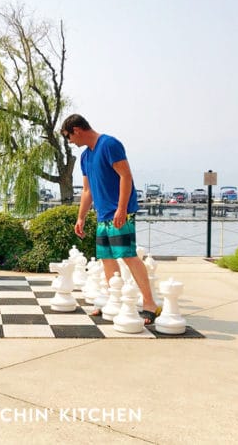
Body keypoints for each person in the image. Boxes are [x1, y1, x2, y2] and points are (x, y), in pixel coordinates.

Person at [60, 114, 160, 324]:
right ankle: (115, 300)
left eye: (69, 136)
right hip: (103, 214)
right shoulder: (86, 157)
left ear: (77, 130)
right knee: (106, 258)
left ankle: (150, 303)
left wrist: (122, 208)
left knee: (128, 255)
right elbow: (87, 191)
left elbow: (126, 176)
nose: (70, 142)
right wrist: (81, 218)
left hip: (119, 212)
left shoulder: (109, 144)